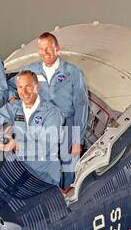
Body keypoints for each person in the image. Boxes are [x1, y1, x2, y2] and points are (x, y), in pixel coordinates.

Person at [8, 32, 89, 189]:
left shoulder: (73, 73)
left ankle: (65, 198)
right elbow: (12, 85)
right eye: (41, 49)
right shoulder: (32, 70)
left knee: (68, 166)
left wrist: (78, 140)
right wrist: (13, 98)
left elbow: (81, 105)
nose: (44, 53)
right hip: (42, 125)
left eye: (48, 49)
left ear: (57, 48)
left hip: (68, 126)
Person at [0, 70, 64, 186]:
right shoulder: (15, 108)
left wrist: (16, 145)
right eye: (20, 87)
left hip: (45, 176)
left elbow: (47, 146)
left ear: (37, 87)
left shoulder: (52, 113)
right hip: (21, 169)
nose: (24, 92)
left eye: (28, 87)